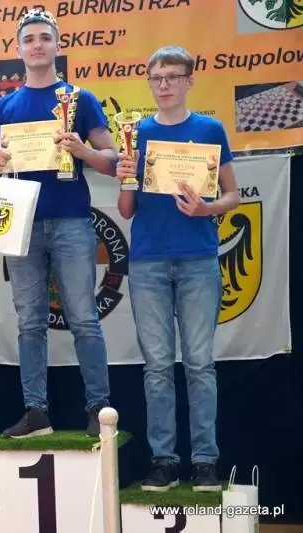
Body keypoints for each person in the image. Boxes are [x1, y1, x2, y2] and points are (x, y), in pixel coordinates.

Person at [0, 8, 117, 439]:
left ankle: (100, 410)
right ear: (18, 49)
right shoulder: (3, 106)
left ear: (58, 45)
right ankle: (35, 410)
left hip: (72, 220)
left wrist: (83, 151)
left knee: (84, 318)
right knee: (29, 322)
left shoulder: (81, 99)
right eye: (29, 39)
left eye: (44, 37)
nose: (37, 45)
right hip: (21, 223)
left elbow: (113, 160)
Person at [115, 46, 239, 492]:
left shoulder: (210, 129)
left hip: (198, 259)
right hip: (148, 261)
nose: (164, 84)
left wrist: (207, 208)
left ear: (190, 80)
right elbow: (126, 210)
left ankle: (205, 461)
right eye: (156, 77)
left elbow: (232, 195)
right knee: (157, 368)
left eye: (172, 76)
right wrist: (125, 176)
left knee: (201, 364)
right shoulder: (137, 133)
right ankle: (163, 460)